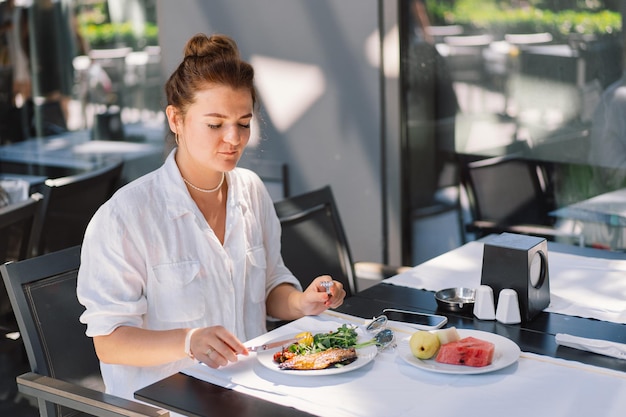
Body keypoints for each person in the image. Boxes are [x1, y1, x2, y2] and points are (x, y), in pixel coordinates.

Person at [76, 33, 346, 402]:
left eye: (244, 122)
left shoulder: (250, 190)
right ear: (176, 119)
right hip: (165, 403)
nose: (234, 139)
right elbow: (110, 343)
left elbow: (269, 287)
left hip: (250, 389)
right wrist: (188, 341)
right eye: (215, 124)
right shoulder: (125, 217)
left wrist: (301, 303)